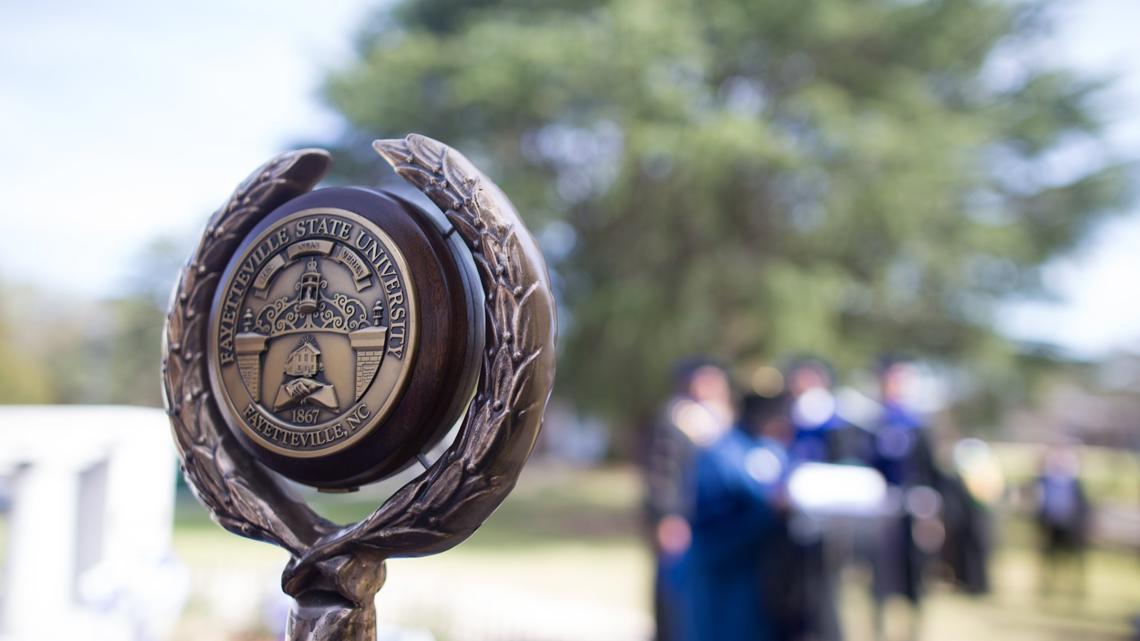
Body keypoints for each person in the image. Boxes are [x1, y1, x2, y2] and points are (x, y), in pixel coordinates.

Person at [685, 390, 790, 641]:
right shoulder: (721, 451)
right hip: (723, 560)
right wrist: (767, 511)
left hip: (761, 563)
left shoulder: (771, 449)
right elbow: (711, 510)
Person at [644, 359, 734, 641]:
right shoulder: (676, 418)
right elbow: (662, 473)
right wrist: (668, 516)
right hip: (683, 521)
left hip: (714, 524)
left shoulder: (722, 420)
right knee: (675, 593)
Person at [868, 358, 940, 641]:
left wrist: (931, 514)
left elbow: (931, 473)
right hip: (881, 511)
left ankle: (914, 632)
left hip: (914, 511)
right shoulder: (872, 424)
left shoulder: (919, 425)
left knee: (915, 576)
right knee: (880, 577)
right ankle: (879, 631)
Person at [1034, 444, 1091, 599]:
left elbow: (1084, 506)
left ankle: (1077, 588)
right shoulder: (1044, 480)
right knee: (1049, 558)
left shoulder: (1075, 482)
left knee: (1075, 560)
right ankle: (1047, 586)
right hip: (1051, 525)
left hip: (1071, 527)